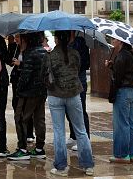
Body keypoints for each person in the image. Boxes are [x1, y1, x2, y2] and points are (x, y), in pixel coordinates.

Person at [45, 31, 95, 177]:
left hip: (55, 95)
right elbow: (78, 69)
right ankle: (88, 165)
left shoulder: (51, 55)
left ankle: (61, 167)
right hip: (73, 94)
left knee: (59, 132)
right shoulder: (75, 54)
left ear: (57, 38)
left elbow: (46, 72)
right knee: (80, 130)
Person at [8, 32, 47, 161]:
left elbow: (26, 76)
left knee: (20, 118)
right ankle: (40, 149)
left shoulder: (29, 53)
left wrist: (19, 90)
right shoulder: (43, 52)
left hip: (28, 92)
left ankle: (23, 149)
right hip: (41, 91)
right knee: (39, 119)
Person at [106, 38, 133, 164]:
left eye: (114, 39)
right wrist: (112, 66)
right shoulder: (131, 54)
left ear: (120, 41)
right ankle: (132, 154)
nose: (112, 40)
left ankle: (121, 155)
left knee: (121, 124)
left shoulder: (121, 56)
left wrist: (112, 95)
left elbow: (118, 78)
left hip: (123, 92)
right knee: (130, 123)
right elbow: (130, 71)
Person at [67, 33, 90, 151]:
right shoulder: (66, 42)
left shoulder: (80, 43)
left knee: (80, 109)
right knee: (69, 108)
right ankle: (73, 135)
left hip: (79, 79)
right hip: (69, 79)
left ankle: (85, 139)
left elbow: (86, 63)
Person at [9, 35, 34, 145]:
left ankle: (29, 133)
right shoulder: (15, 48)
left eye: (17, 37)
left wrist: (21, 64)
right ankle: (22, 133)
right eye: (15, 37)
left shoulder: (30, 49)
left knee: (27, 107)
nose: (16, 39)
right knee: (17, 105)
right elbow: (10, 61)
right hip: (16, 80)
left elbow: (32, 66)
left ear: (24, 38)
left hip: (27, 81)